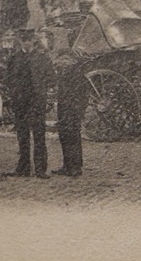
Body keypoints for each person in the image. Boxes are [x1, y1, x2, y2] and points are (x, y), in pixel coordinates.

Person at [5, 29, 55, 178]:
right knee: (22, 135)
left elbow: (51, 77)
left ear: (33, 40)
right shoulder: (14, 58)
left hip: (36, 101)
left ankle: (40, 169)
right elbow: (8, 78)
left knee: (39, 135)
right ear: (20, 41)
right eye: (23, 39)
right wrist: (14, 92)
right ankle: (23, 168)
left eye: (29, 39)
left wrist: (42, 90)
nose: (26, 42)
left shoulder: (42, 58)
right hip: (20, 101)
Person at [52, 53, 89, 177]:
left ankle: (76, 167)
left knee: (73, 138)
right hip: (64, 110)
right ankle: (67, 165)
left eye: (64, 61)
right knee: (65, 137)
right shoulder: (63, 75)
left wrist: (79, 111)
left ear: (71, 62)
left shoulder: (78, 75)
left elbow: (84, 96)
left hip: (72, 111)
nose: (61, 64)